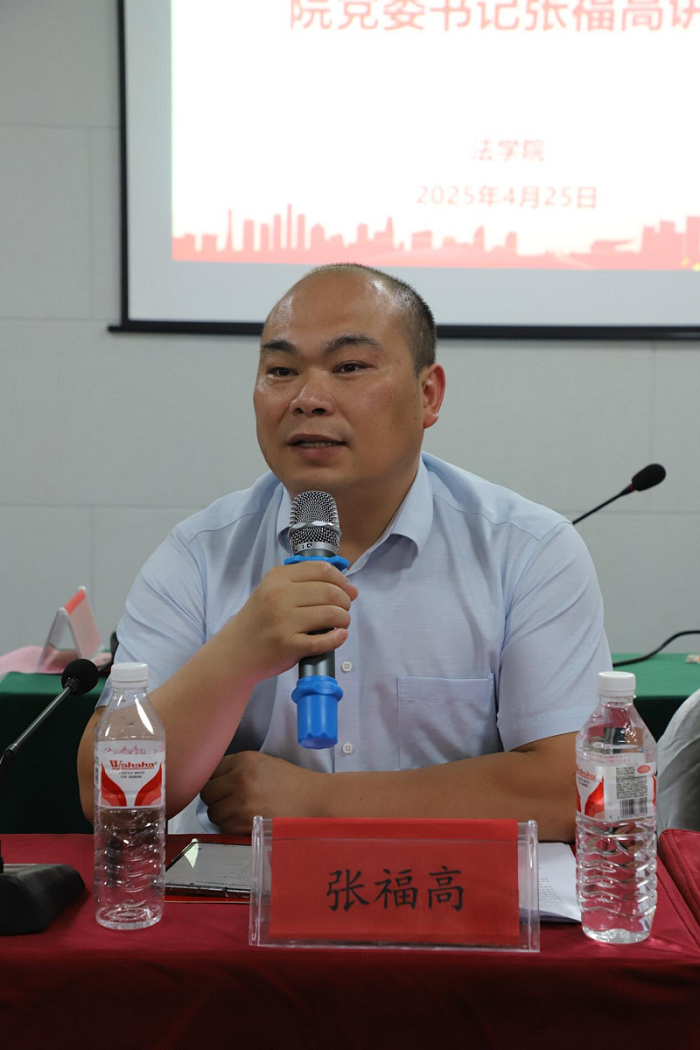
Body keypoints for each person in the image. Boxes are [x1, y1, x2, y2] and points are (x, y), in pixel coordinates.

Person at [77, 263, 611, 841]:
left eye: (349, 367)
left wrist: (321, 802)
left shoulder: (528, 550)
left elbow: (573, 785)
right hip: (248, 892)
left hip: (445, 885)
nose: (308, 399)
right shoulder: (198, 555)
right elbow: (105, 791)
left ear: (427, 395)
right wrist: (238, 653)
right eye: (281, 371)